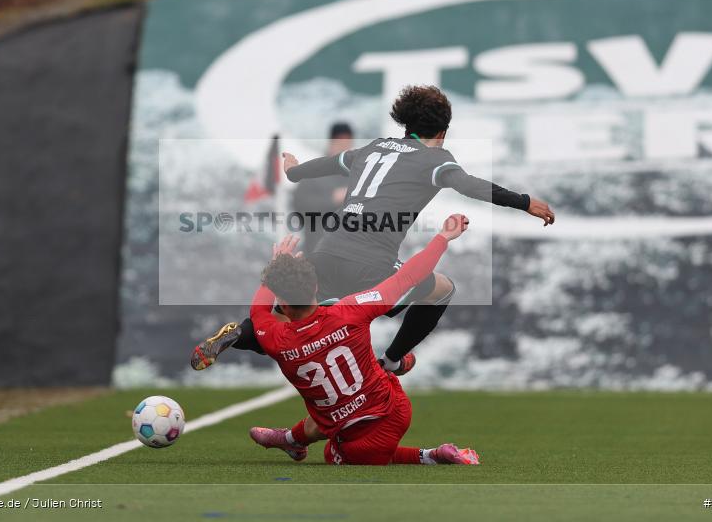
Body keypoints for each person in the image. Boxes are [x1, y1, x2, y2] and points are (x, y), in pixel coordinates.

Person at [192, 85, 555, 375]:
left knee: (290, 317)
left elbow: (329, 164)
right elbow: (469, 185)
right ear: (442, 131)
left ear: (406, 124)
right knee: (442, 290)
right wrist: (523, 201)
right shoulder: (436, 160)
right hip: (372, 266)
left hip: (326, 252)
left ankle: (239, 333)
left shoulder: (374, 148)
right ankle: (394, 360)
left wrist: (293, 171)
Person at [244, 217, 479, 465]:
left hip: (355, 426)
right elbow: (407, 278)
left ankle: (431, 455)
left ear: (280, 303)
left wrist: (275, 269)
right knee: (336, 405)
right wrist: (443, 237)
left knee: (333, 449)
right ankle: (292, 439)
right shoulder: (350, 309)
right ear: (315, 286)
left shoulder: (273, 337)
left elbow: (257, 312)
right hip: (395, 407)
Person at [291, 122, 354, 253]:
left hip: (351, 255)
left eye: (348, 144)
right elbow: (299, 205)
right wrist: (332, 200)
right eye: (340, 143)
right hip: (317, 251)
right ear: (331, 142)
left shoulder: (358, 174)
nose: (345, 148)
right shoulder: (314, 171)